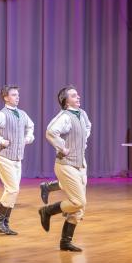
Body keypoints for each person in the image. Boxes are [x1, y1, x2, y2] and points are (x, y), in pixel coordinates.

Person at [38, 85, 91, 252]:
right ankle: (47, 211)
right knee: (78, 202)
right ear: (66, 101)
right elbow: (50, 132)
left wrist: (81, 143)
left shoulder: (82, 114)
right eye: (74, 96)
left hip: (81, 164)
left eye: (77, 95)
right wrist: (62, 147)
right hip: (66, 164)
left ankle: (65, 241)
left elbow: (87, 128)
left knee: (79, 208)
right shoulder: (65, 116)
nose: (78, 97)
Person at [0, 85, 34, 236]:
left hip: (17, 157)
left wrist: (28, 137)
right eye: (14, 95)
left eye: (18, 95)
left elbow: (31, 126)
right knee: (12, 189)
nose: (17, 97)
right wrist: (0, 140)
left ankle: (4, 222)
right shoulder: (1, 115)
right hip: (4, 156)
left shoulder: (22, 114)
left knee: (12, 191)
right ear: (6, 98)